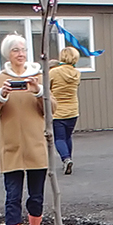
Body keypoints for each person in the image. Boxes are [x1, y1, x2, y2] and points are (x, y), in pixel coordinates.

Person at [0, 33, 49, 225]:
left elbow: (53, 109)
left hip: (35, 146)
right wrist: (1, 95)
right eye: (15, 50)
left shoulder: (38, 76)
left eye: (23, 49)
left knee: (36, 196)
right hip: (11, 148)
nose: (20, 54)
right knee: (12, 197)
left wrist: (38, 91)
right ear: (7, 54)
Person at [50, 46, 82, 175]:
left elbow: (46, 86)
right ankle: (69, 158)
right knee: (68, 136)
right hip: (73, 110)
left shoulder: (54, 72)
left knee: (59, 138)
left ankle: (66, 158)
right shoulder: (77, 73)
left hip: (57, 111)